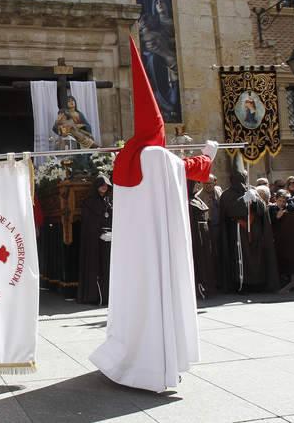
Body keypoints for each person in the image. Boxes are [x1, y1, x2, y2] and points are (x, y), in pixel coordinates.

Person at [90, 37, 217, 392]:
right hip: (156, 246)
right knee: (158, 296)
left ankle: (128, 356)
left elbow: (177, 166)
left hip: (134, 250)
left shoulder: (127, 156)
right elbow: (190, 167)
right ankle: (153, 366)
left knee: (135, 299)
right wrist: (208, 153)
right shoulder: (156, 157)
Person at [218, 152, 279, 293]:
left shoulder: (252, 190)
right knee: (241, 260)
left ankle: (258, 282)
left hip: (255, 231)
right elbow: (230, 211)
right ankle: (242, 284)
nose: (240, 180)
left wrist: (256, 200)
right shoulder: (227, 194)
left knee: (257, 259)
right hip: (238, 232)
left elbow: (262, 210)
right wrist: (243, 201)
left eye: (243, 178)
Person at [77, 175, 112, 305]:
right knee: (95, 267)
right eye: (102, 184)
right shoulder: (88, 202)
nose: (104, 187)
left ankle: (107, 296)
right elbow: (88, 222)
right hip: (94, 241)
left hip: (109, 240)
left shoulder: (109, 201)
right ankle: (94, 296)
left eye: (106, 185)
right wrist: (99, 233)